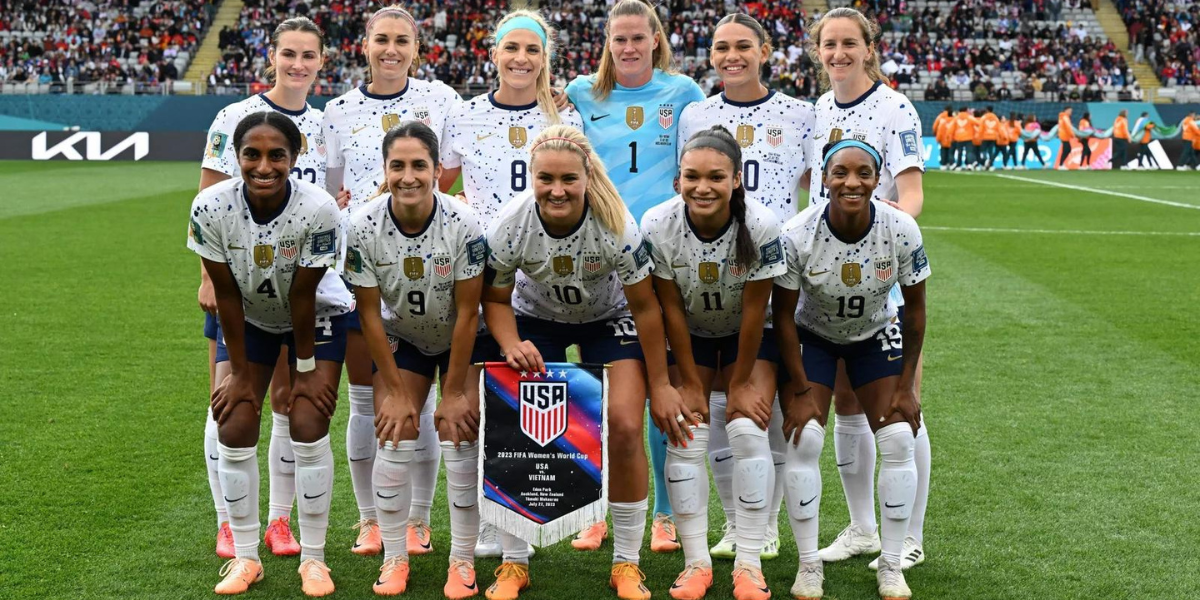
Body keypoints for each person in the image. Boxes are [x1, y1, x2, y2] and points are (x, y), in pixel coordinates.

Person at [482, 125, 686, 600]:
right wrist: (511, 342)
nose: (557, 190)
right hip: (536, 320)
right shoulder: (511, 222)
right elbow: (494, 299)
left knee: (625, 426)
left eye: (569, 179)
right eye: (546, 178)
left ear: (587, 177)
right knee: (517, 424)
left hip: (608, 319)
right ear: (530, 177)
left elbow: (645, 308)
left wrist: (661, 382)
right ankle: (514, 564)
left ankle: (626, 564)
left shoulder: (616, 224)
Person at [197, 17, 343, 562]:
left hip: (300, 283)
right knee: (231, 396)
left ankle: (279, 521)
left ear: (322, 60)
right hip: (237, 282)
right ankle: (228, 525)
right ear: (273, 57)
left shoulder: (327, 124)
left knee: (288, 400)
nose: (298, 64)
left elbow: (326, 202)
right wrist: (207, 280)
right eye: (289, 53)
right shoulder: (234, 116)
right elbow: (211, 201)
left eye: (309, 54)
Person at [438, 6, 578, 561]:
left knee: (524, 409)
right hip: (482, 277)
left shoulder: (564, 119)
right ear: (493, 53)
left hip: (543, 275)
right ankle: (490, 527)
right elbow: (435, 180)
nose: (521, 58)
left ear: (545, 58)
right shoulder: (465, 115)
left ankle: (519, 520)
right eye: (511, 48)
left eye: (532, 50)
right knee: (482, 406)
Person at [564, 0, 705, 555]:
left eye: (636, 38)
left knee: (659, 390)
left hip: (661, 260)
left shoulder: (683, 93)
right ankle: (598, 506)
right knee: (598, 394)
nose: (627, 48)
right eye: (617, 39)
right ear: (606, 42)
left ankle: (666, 514)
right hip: (597, 258)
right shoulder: (581, 94)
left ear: (655, 40)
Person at [322, 4, 463, 557]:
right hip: (364, 266)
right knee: (368, 403)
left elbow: (444, 175)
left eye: (402, 40)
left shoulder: (441, 101)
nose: (391, 49)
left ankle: (419, 521)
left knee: (422, 404)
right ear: (364, 44)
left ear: (416, 48)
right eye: (381, 39)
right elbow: (336, 191)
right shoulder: (337, 111)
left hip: (431, 267)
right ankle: (370, 520)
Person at [677, 11, 815, 564]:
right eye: (721, 47)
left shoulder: (799, 114)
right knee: (715, 411)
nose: (731, 56)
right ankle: (736, 523)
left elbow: (817, 186)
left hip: (777, 276)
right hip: (707, 277)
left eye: (742, 46)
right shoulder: (696, 114)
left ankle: (766, 524)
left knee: (767, 409)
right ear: (711, 55)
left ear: (765, 51)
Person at [804, 7, 933, 573]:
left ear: (869, 47)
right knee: (845, 402)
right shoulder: (821, 108)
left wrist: (879, 242)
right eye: (829, 44)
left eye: (849, 44)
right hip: (825, 280)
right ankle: (861, 528)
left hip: (881, 273)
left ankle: (909, 536)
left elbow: (911, 196)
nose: (839, 54)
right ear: (817, 51)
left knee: (902, 408)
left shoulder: (893, 107)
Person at [774, 139, 929, 600]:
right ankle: (807, 567)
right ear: (823, 178)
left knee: (900, 436)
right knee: (804, 436)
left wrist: (906, 385)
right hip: (813, 335)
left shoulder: (900, 228)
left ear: (878, 178)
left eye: (864, 172)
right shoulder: (798, 232)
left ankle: (892, 562)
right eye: (840, 172)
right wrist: (799, 385)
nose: (852, 182)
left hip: (875, 335)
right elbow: (781, 314)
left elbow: (916, 312)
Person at [642, 126, 788, 600]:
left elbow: (753, 312)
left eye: (715, 177)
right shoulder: (657, 224)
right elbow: (670, 312)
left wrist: (742, 381)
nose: (702, 187)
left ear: (736, 180)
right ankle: (696, 563)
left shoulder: (762, 226)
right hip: (692, 335)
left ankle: (748, 563)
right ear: (677, 180)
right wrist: (687, 381)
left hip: (751, 335)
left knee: (747, 426)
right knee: (686, 434)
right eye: (692, 177)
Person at [343, 121, 487, 599]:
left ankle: (462, 561)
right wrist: (399, 391)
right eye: (398, 166)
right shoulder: (362, 224)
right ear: (385, 170)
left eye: (419, 165)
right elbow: (368, 313)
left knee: (459, 437)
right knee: (394, 432)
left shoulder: (464, 223)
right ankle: (394, 558)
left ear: (437, 169)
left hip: (464, 341)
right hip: (404, 336)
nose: (409, 176)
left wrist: (455, 392)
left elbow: (469, 313)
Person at [951, 106, 975, 170]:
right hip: (968, 137)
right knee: (969, 152)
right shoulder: (969, 117)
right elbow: (978, 123)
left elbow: (951, 128)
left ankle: (959, 165)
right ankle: (969, 164)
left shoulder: (956, 118)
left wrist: (952, 137)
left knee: (959, 152)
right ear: (966, 110)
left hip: (958, 138)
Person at [931, 105, 953, 170]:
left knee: (943, 150)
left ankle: (943, 164)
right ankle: (950, 163)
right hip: (951, 137)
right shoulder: (954, 117)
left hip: (942, 136)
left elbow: (935, 126)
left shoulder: (940, 116)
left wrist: (935, 134)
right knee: (951, 151)